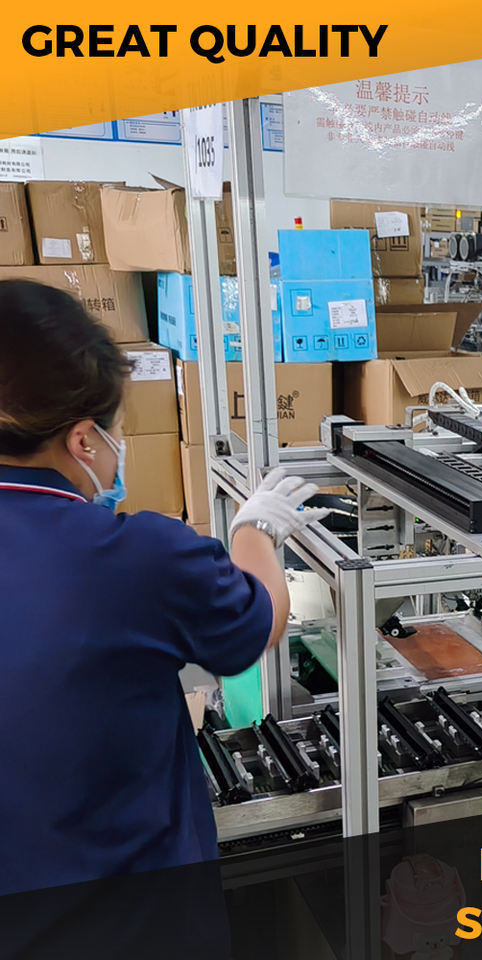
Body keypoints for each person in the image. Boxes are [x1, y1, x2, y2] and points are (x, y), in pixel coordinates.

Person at [0, 279, 323, 898]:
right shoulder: (134, 557)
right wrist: (255, 531)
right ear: (82, 439)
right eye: (117, 432)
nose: (118, 450)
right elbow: (259, 620)